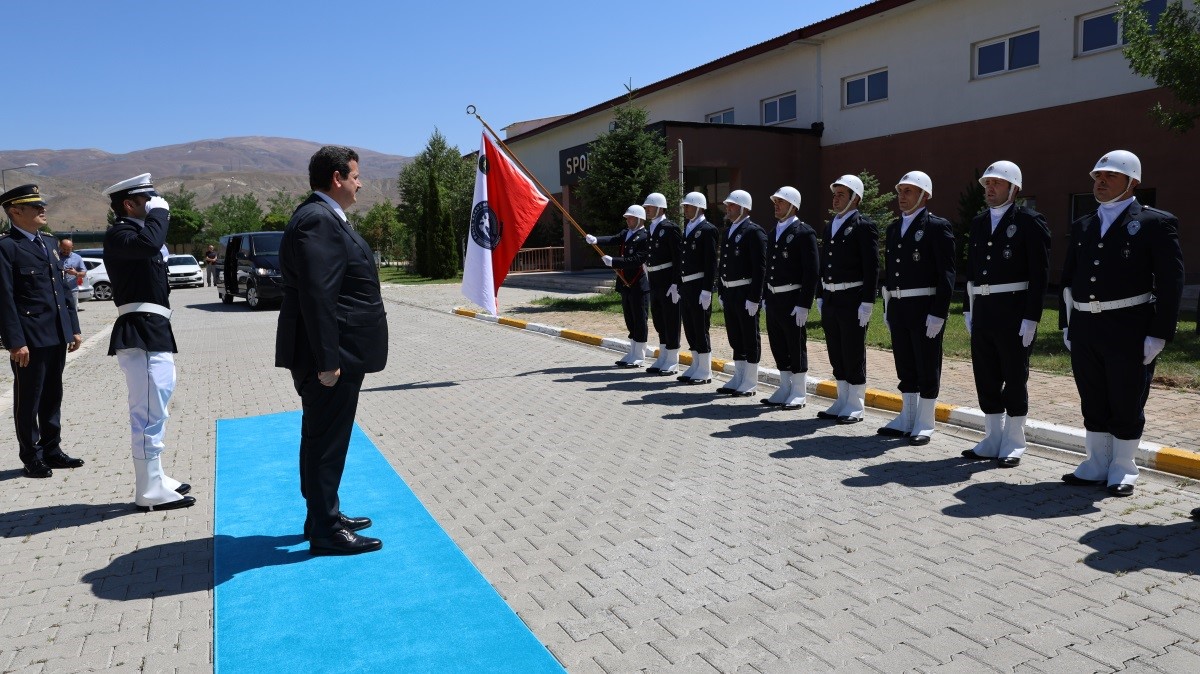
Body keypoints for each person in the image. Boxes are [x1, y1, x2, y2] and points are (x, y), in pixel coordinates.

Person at [276, 146, 388, 555]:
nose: (360, 183)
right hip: (330, 357)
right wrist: (328, 361)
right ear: (337, 178)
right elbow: (317, 297)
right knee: (326, 440)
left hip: (335, 352)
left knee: (324, 437)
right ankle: (325, 530)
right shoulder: (317, 221)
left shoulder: (320, 217)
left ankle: (323, 514)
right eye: (356, 176)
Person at [1059, 150, 1184, 497]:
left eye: (1110, 176)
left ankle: (1124, 467)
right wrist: (1066, 323)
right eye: (1097, 176)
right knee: (1092, 395)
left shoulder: (1155, 222)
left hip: (1129, 326)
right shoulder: (1083, 224)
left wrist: (1159, 333)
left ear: (1132, 182)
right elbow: (1069, 278)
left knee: (1127, 397)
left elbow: (1171, 282)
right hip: (1086, 324)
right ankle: (1096, 464)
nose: (1100, 181)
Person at [102, 174, 195, 511]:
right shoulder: (120, 235)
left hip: (153, 327)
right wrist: (161, 214)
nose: (155, 203)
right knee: (146, 413)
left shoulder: (138, 234)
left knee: (158, 408)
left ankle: (156, 476)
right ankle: (148, 490)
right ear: (129, 204)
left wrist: (154, 217)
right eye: (148, 199)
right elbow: (149, 245)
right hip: (138, 329)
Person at [960, 161, 1050, 469]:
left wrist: (1032, 316)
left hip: (1014, 310)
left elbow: (1040, 274)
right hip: (984, 308)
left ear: (1014, 188)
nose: (990, 188)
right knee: (985, 374)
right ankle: (992, 438)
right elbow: (971, 269)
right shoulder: (979, 222)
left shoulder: (1029, 221)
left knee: (1014, 375)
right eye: (987, 184)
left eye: (997, 183)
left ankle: (1014, 440)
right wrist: (968, 306)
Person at [0, 185, 83, 478]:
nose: (41, 209)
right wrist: (15, 341)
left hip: (56, 334)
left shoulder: (48, 243)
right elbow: (4, 298)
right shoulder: (6, 247)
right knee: (29, 398)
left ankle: (52, 450)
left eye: (42, 205)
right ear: (15, 212)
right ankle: (31, 456)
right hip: (29, 339)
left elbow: (61, 290)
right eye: (34, 206)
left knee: (52, 394)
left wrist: (73, 328)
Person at [877, 171, 955, 445]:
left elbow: (947, 274)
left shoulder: (936, 226)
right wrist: (888, 305)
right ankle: (907, 418)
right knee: (905, 364)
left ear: (925, 195)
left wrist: (939, 312)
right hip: (899, 304)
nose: (902, 196)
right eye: (900, 190)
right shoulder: (893, 228)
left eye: (908, 191)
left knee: (926, 363)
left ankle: (925, 421)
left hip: (924, 306)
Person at [816, 175, 878, 423]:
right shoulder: (831, 225)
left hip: (853, 297)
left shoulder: (864, 225)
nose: (836, 198)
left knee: (853, 350)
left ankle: (855, 403)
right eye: (835, 193)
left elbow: (871, 267)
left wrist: (867, 301)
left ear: (855, 198)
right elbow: (824, 263)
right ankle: (842, 399)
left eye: (842, 194)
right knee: (836, 350)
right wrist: (820, 294)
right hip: (832, 296)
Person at [760, 186, 819, 410]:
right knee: (778, 344)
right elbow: (768, 269)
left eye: (781, 202)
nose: (776, 205)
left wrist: (804, 303)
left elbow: (811, 271)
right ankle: (785, 387)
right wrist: (765, 295)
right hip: (774, 298)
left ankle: (799, 391)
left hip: (793, 298)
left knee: (795, 345)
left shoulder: (804, 232)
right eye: (775, 202)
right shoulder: (773, 233)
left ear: (793, 205)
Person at [715, 190, 767, 396]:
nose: (727, 208)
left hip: (745, 291)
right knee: (735, 336)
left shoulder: (754, 232)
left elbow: (760, 268)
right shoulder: (729, 231)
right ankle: (739, 375)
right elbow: (724, 264)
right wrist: (720, 289)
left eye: (732, 205)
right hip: (730, 291)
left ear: (744, 208)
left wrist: (755, 297)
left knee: (749, 336)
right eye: (727, 205)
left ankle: (750, 380)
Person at [584, 206, 650, 367]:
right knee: (629, 318)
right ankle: (632, 351)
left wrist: (614, 261)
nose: (627, 221)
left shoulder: (644, 237)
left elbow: (637, 260)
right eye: (627, 218)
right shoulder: (626, 234)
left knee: (639, 319)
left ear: (640, 219)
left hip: (638, 283)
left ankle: (640, 355)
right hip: (625, 283)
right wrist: (596, 240)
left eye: (631, 218)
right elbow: (613, 239)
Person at [675, 192, 719, 384]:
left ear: (699, 207)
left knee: (701, 327)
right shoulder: (688, 228)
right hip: (686, 285)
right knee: (690, 326)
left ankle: (705, 369)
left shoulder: (707, 229)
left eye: (688, 206)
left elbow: (711, 263)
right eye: (684, 206)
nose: (685, 209)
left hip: (699, 285)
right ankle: (695, 364)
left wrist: (707, 289)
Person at [640, 193, 684, 376]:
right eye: (646, 207)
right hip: (655, 279)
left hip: (667, 279)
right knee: (659, 319)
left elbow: (678, 257)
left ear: (660, 207)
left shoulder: (670, 228)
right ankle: (664, 355)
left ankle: (673, 359)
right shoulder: (651, 228)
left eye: (650, 207)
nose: (647, 210)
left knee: (671, 319)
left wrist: (676, 283)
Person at [58, 238, 86, 313]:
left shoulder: (77, 258)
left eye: (68, 249)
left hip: (72, 290)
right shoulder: (54, 256)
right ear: (60, 246)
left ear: (72, 247)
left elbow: (83, 274)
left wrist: (75, 273)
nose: (66, 251)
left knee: (72, 311)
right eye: (64, 249)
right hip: (58, 290)